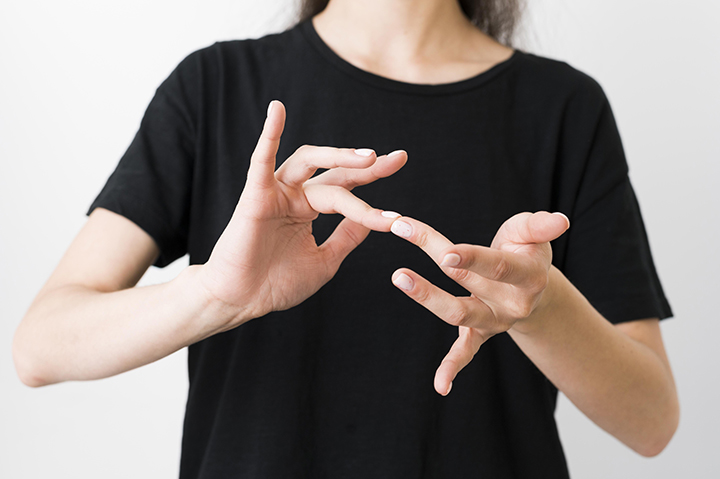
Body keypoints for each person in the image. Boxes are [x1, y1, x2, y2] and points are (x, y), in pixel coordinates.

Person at [13, 0, 679, 477]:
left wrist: (542, 307)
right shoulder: (214, 87)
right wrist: (214, 294)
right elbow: (40, 346)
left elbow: (652, 420)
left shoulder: (564, 108)